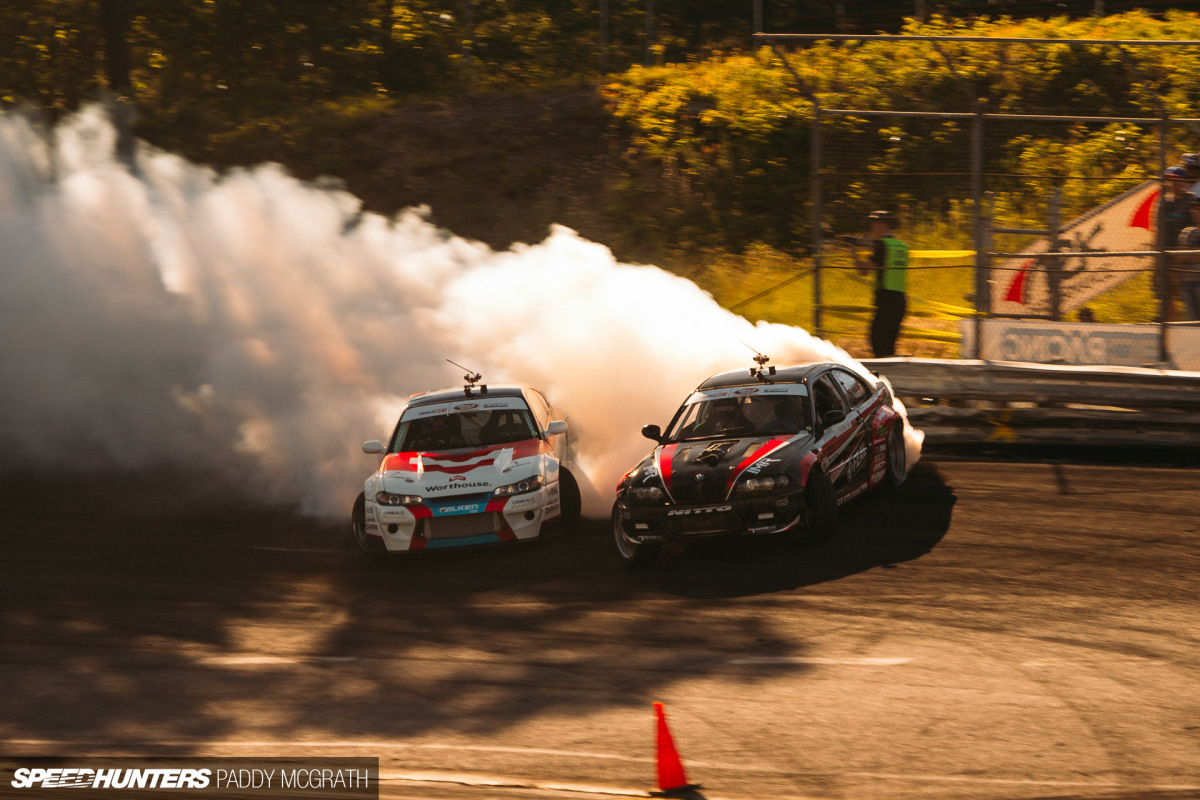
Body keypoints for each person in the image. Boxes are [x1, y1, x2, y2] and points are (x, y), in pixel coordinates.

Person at [848, 209, 910, 358]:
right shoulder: (902, 246)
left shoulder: (882, 245)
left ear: (884, 225)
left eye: (873, 224)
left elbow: (864, 270)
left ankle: (882, 379)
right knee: (888, 345)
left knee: (878, 343)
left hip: (886, 299)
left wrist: (853, 251)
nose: (871, 228)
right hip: (900, 299)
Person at [1174, 194, 1200, 320]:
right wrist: (1193, 254)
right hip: (1187, 282)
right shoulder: (1188, 231)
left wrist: (1188, 253)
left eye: (1198, 209)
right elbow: (1179, 258)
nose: (1195, 212)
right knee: (1191, 323)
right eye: (1193, 208)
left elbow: (1186, 255)